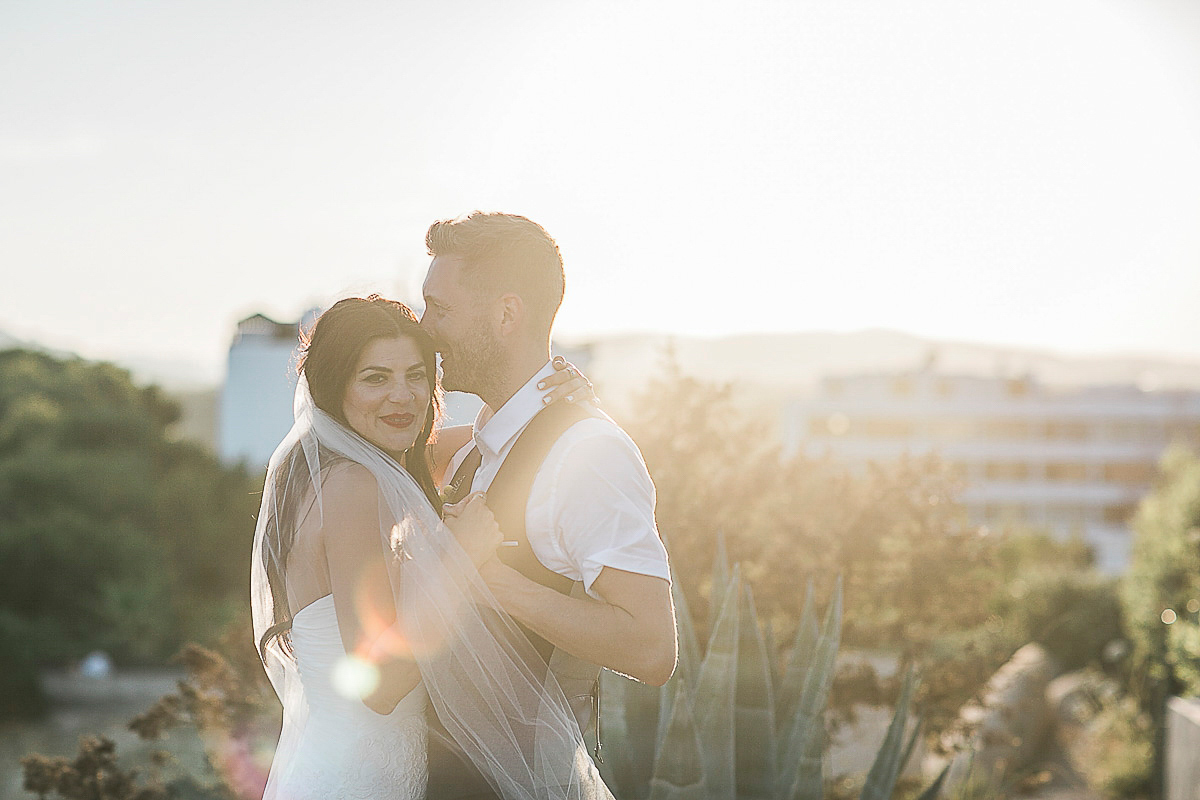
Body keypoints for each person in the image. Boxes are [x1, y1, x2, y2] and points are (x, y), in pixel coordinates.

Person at [251, 296, 614, 800]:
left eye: (416, 375)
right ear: (334, 387)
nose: (402, 397)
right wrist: (463, 558)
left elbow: (494, 440)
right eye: (375, 378)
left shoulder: (355, 466)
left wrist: (555, 407)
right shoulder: (355, 487)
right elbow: (378, 684)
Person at [421, 212, 678, 800]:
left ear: (507, 315)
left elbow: (651, 648)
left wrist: (488, 579)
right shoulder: (471, 450)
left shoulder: (588, 455)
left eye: (441, 309)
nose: (425, 328)